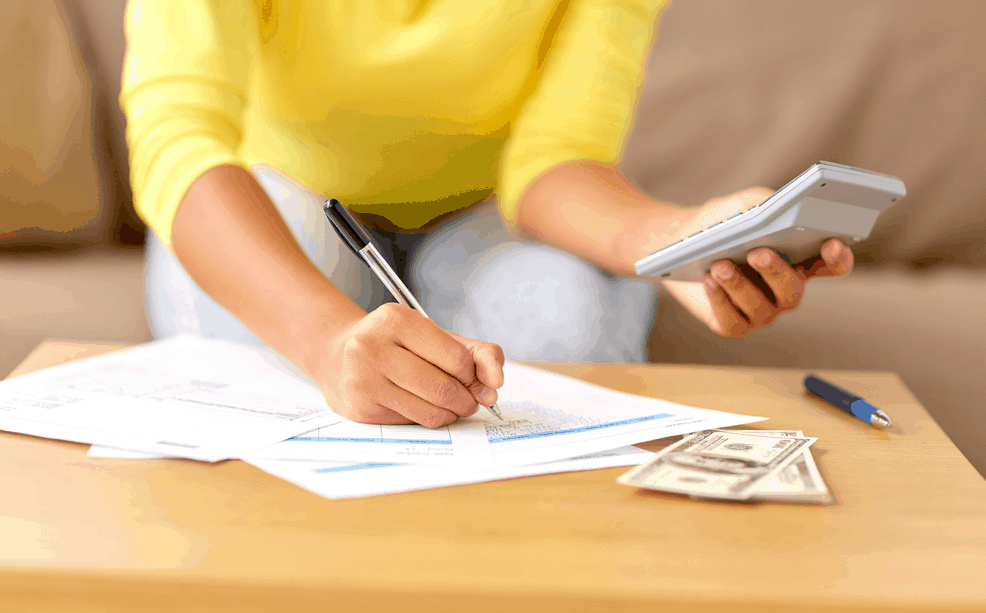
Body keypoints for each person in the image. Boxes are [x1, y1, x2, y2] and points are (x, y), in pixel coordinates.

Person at [122, 0, 853, 428]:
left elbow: (557, 158)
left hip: (485, 219)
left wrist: (674, 241)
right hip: (290, 201)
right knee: (261, 375)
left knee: (562, 318)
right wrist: (326, 340)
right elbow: (179, 133)